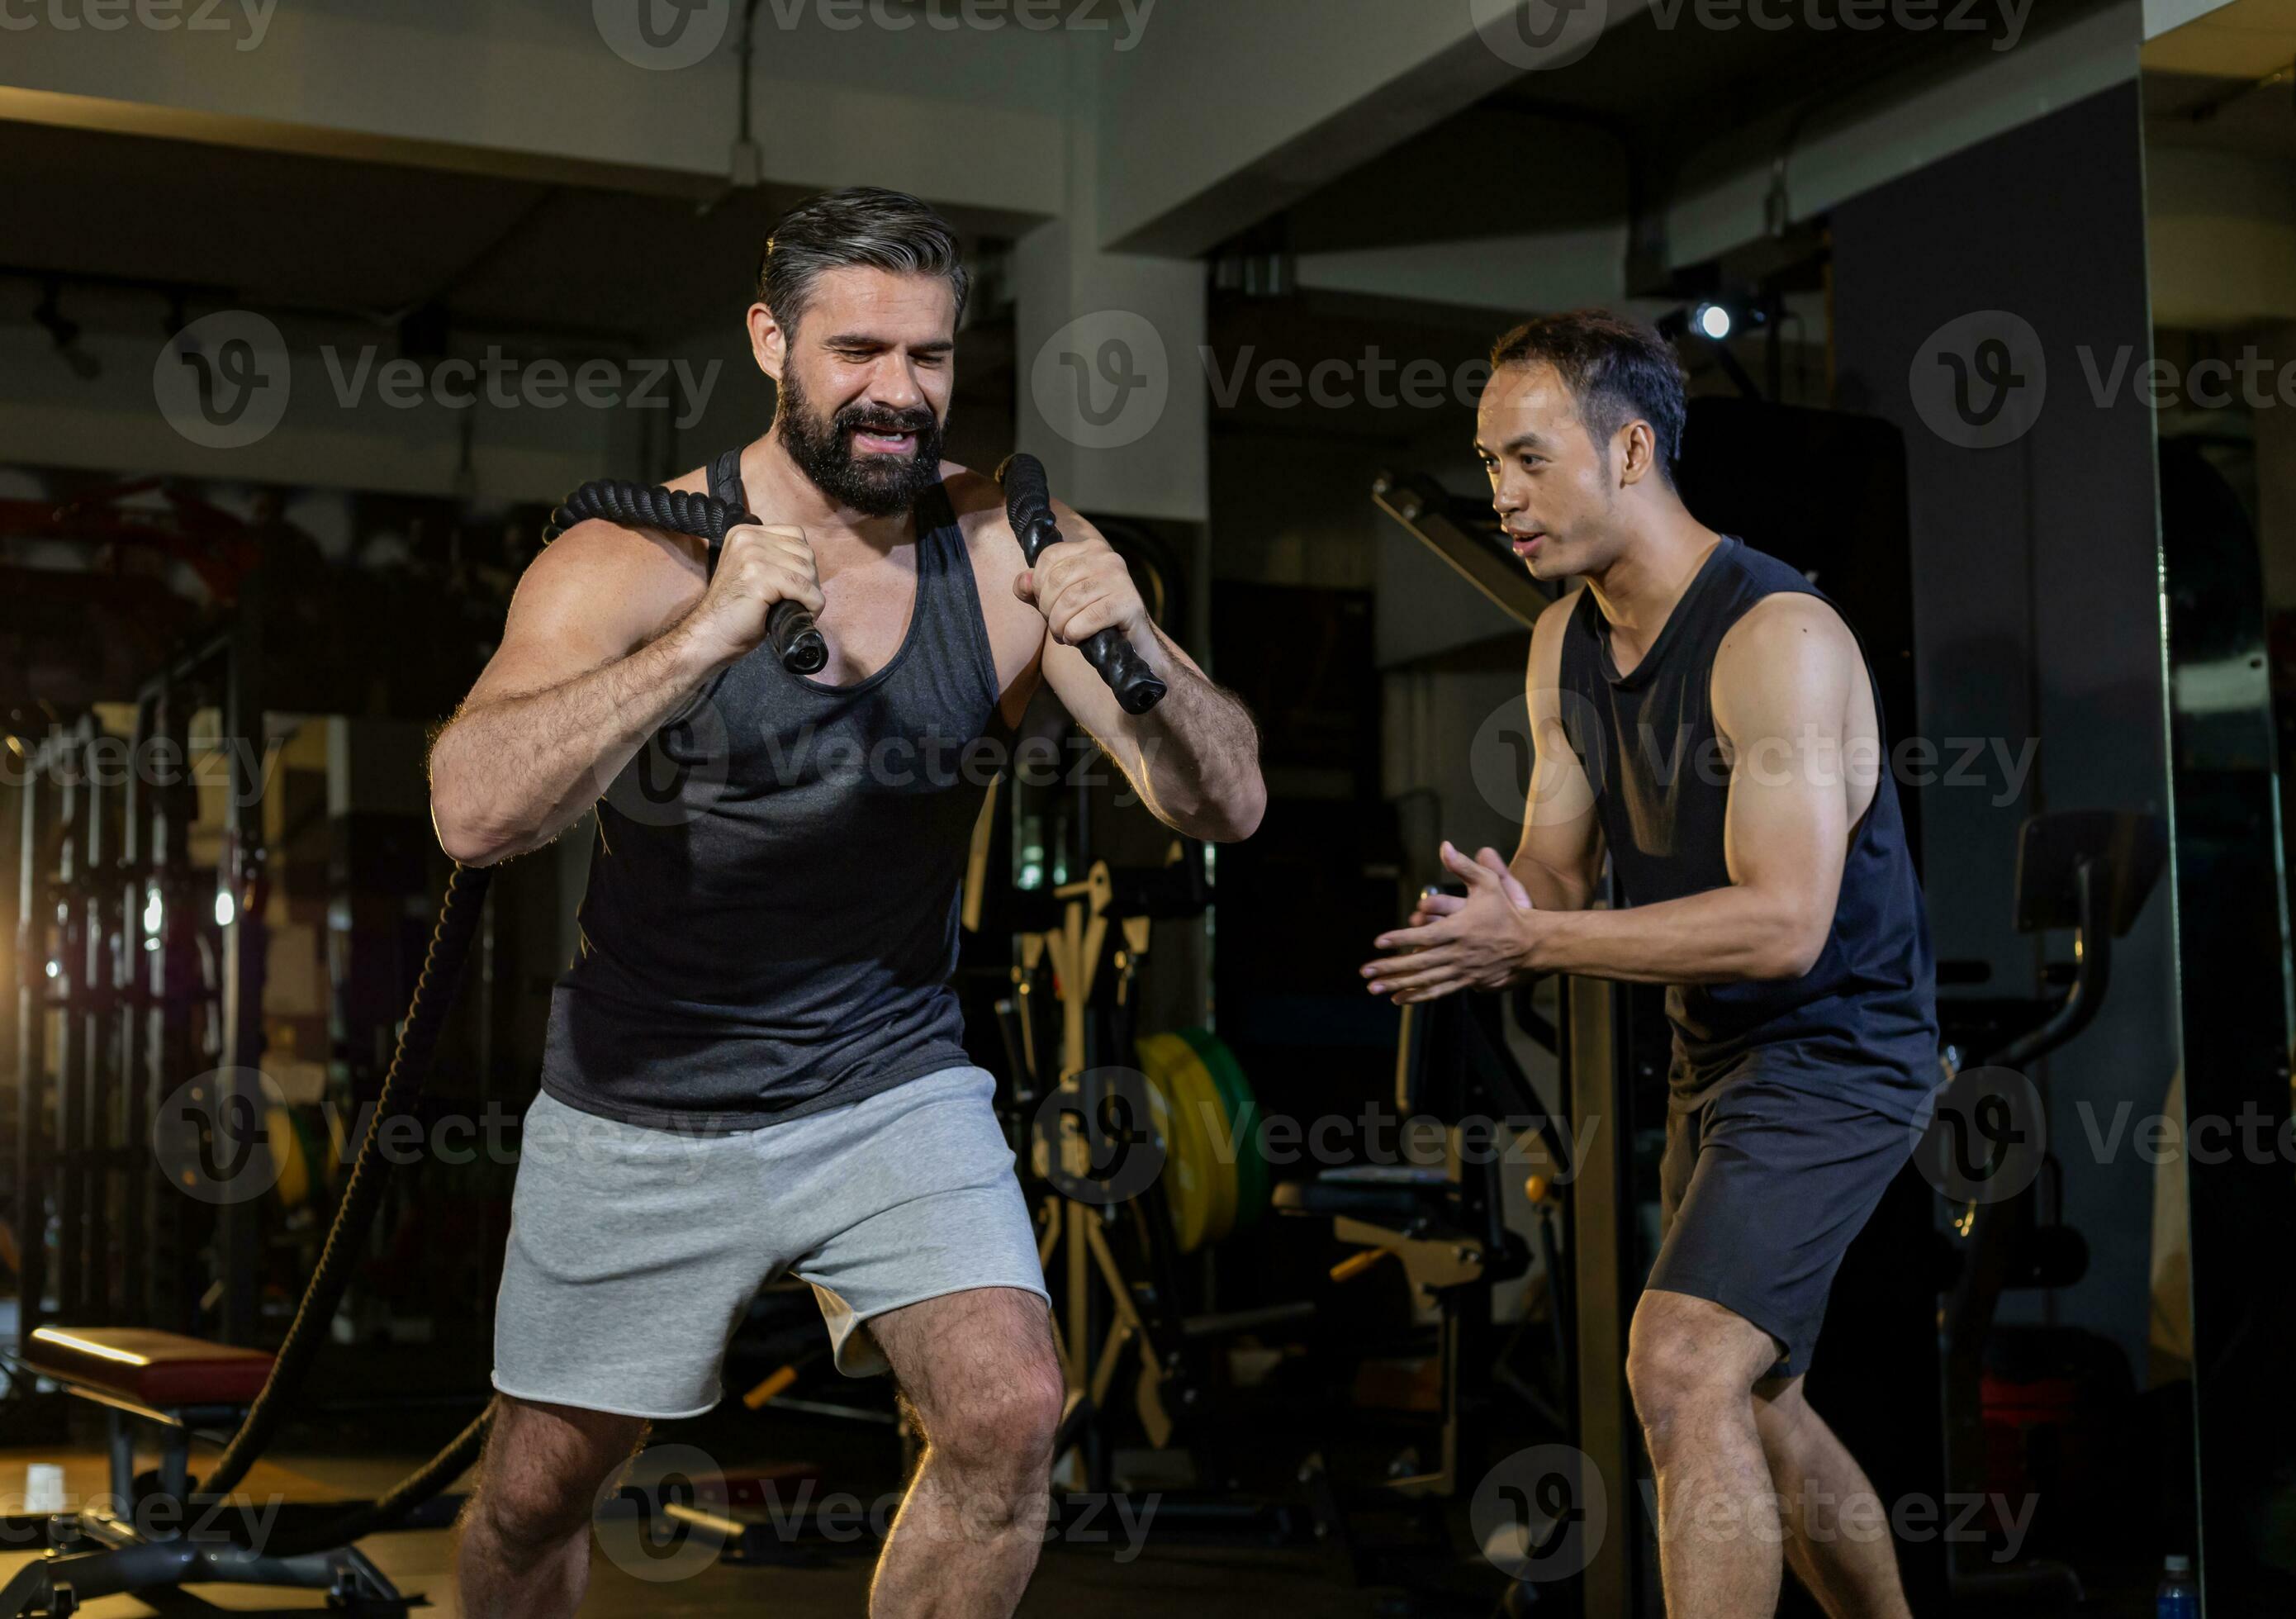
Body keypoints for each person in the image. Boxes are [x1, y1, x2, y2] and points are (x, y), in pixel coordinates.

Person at [427, 187, 1266, 1619]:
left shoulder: (1008, 553)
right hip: (648, 1091)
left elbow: (1224, 803)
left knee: (1006, 1414)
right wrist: (704, 641)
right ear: (772, 342)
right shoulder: (639, 556)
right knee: (533, 1495)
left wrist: (1132, 636)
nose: (897, 393)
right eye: (857, 351)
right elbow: (474, 809)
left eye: (929, 359)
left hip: (886, 1081)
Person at [1361, 310, 1938, 1618]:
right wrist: (1492, 924)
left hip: (1839, 1053)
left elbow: (1786, 923)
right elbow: (1557, 869)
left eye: (1528, 459)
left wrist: (1540, 937)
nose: (1501, 495)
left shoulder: (1776, 637)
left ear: (1630, 451)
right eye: (1488, 463)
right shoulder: (1565, 639)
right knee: (1764, 1401)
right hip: (1714, 1053)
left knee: (1678, 1365)